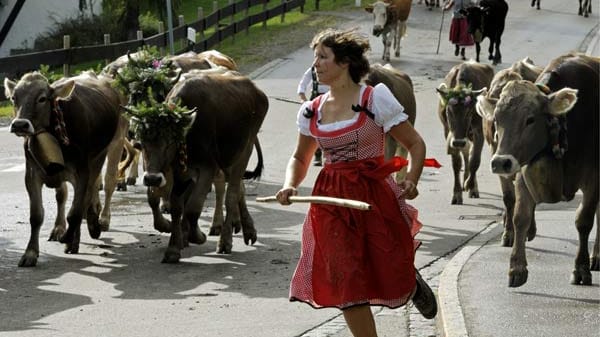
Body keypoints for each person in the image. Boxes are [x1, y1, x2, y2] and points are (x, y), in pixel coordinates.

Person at [276, 28, 437, 337]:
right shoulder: (312, 110)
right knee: (346, 279)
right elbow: (299, 158)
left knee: (385, 263)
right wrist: (290, 185)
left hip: (374, 197)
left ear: (345, 62)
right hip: (331, 204)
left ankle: (410, 280)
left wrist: (412, 179)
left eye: (323, 57)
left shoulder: (374, 98)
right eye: (315, 58)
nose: (316, 64)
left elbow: (415, 144)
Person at [297, 66, 330, 166]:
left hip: (330, 100)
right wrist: (304, 100)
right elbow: (302, 86)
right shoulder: (311, 71)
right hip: (315, 101)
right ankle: (317, 154)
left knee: (329, 128)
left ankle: (329, 153)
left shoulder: (333, 70)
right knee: (315, 128)